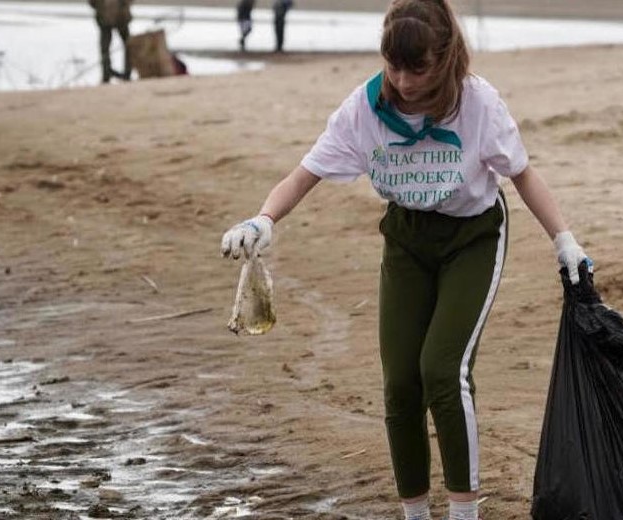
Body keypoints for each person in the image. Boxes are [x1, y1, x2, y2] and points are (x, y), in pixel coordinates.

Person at [220, 0, 592, 518]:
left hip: (473, 237)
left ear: (443, 59)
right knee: (400, 384)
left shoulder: (477, 103)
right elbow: (305, 174)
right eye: (393, 65)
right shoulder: (365, 108)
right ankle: (414, 514)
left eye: (417, 68)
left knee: (442, 370)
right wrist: (262, 221)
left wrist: (564, 240)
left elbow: (522, 173)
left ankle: (464, 512)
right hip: (407, 239)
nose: (404, 79)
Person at [89, 0, 133, 83]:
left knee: (128, 45)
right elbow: (92, 3)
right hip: (105, 17)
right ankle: (107, 74)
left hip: (120, 17)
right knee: (105, 48)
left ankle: (126, 74)